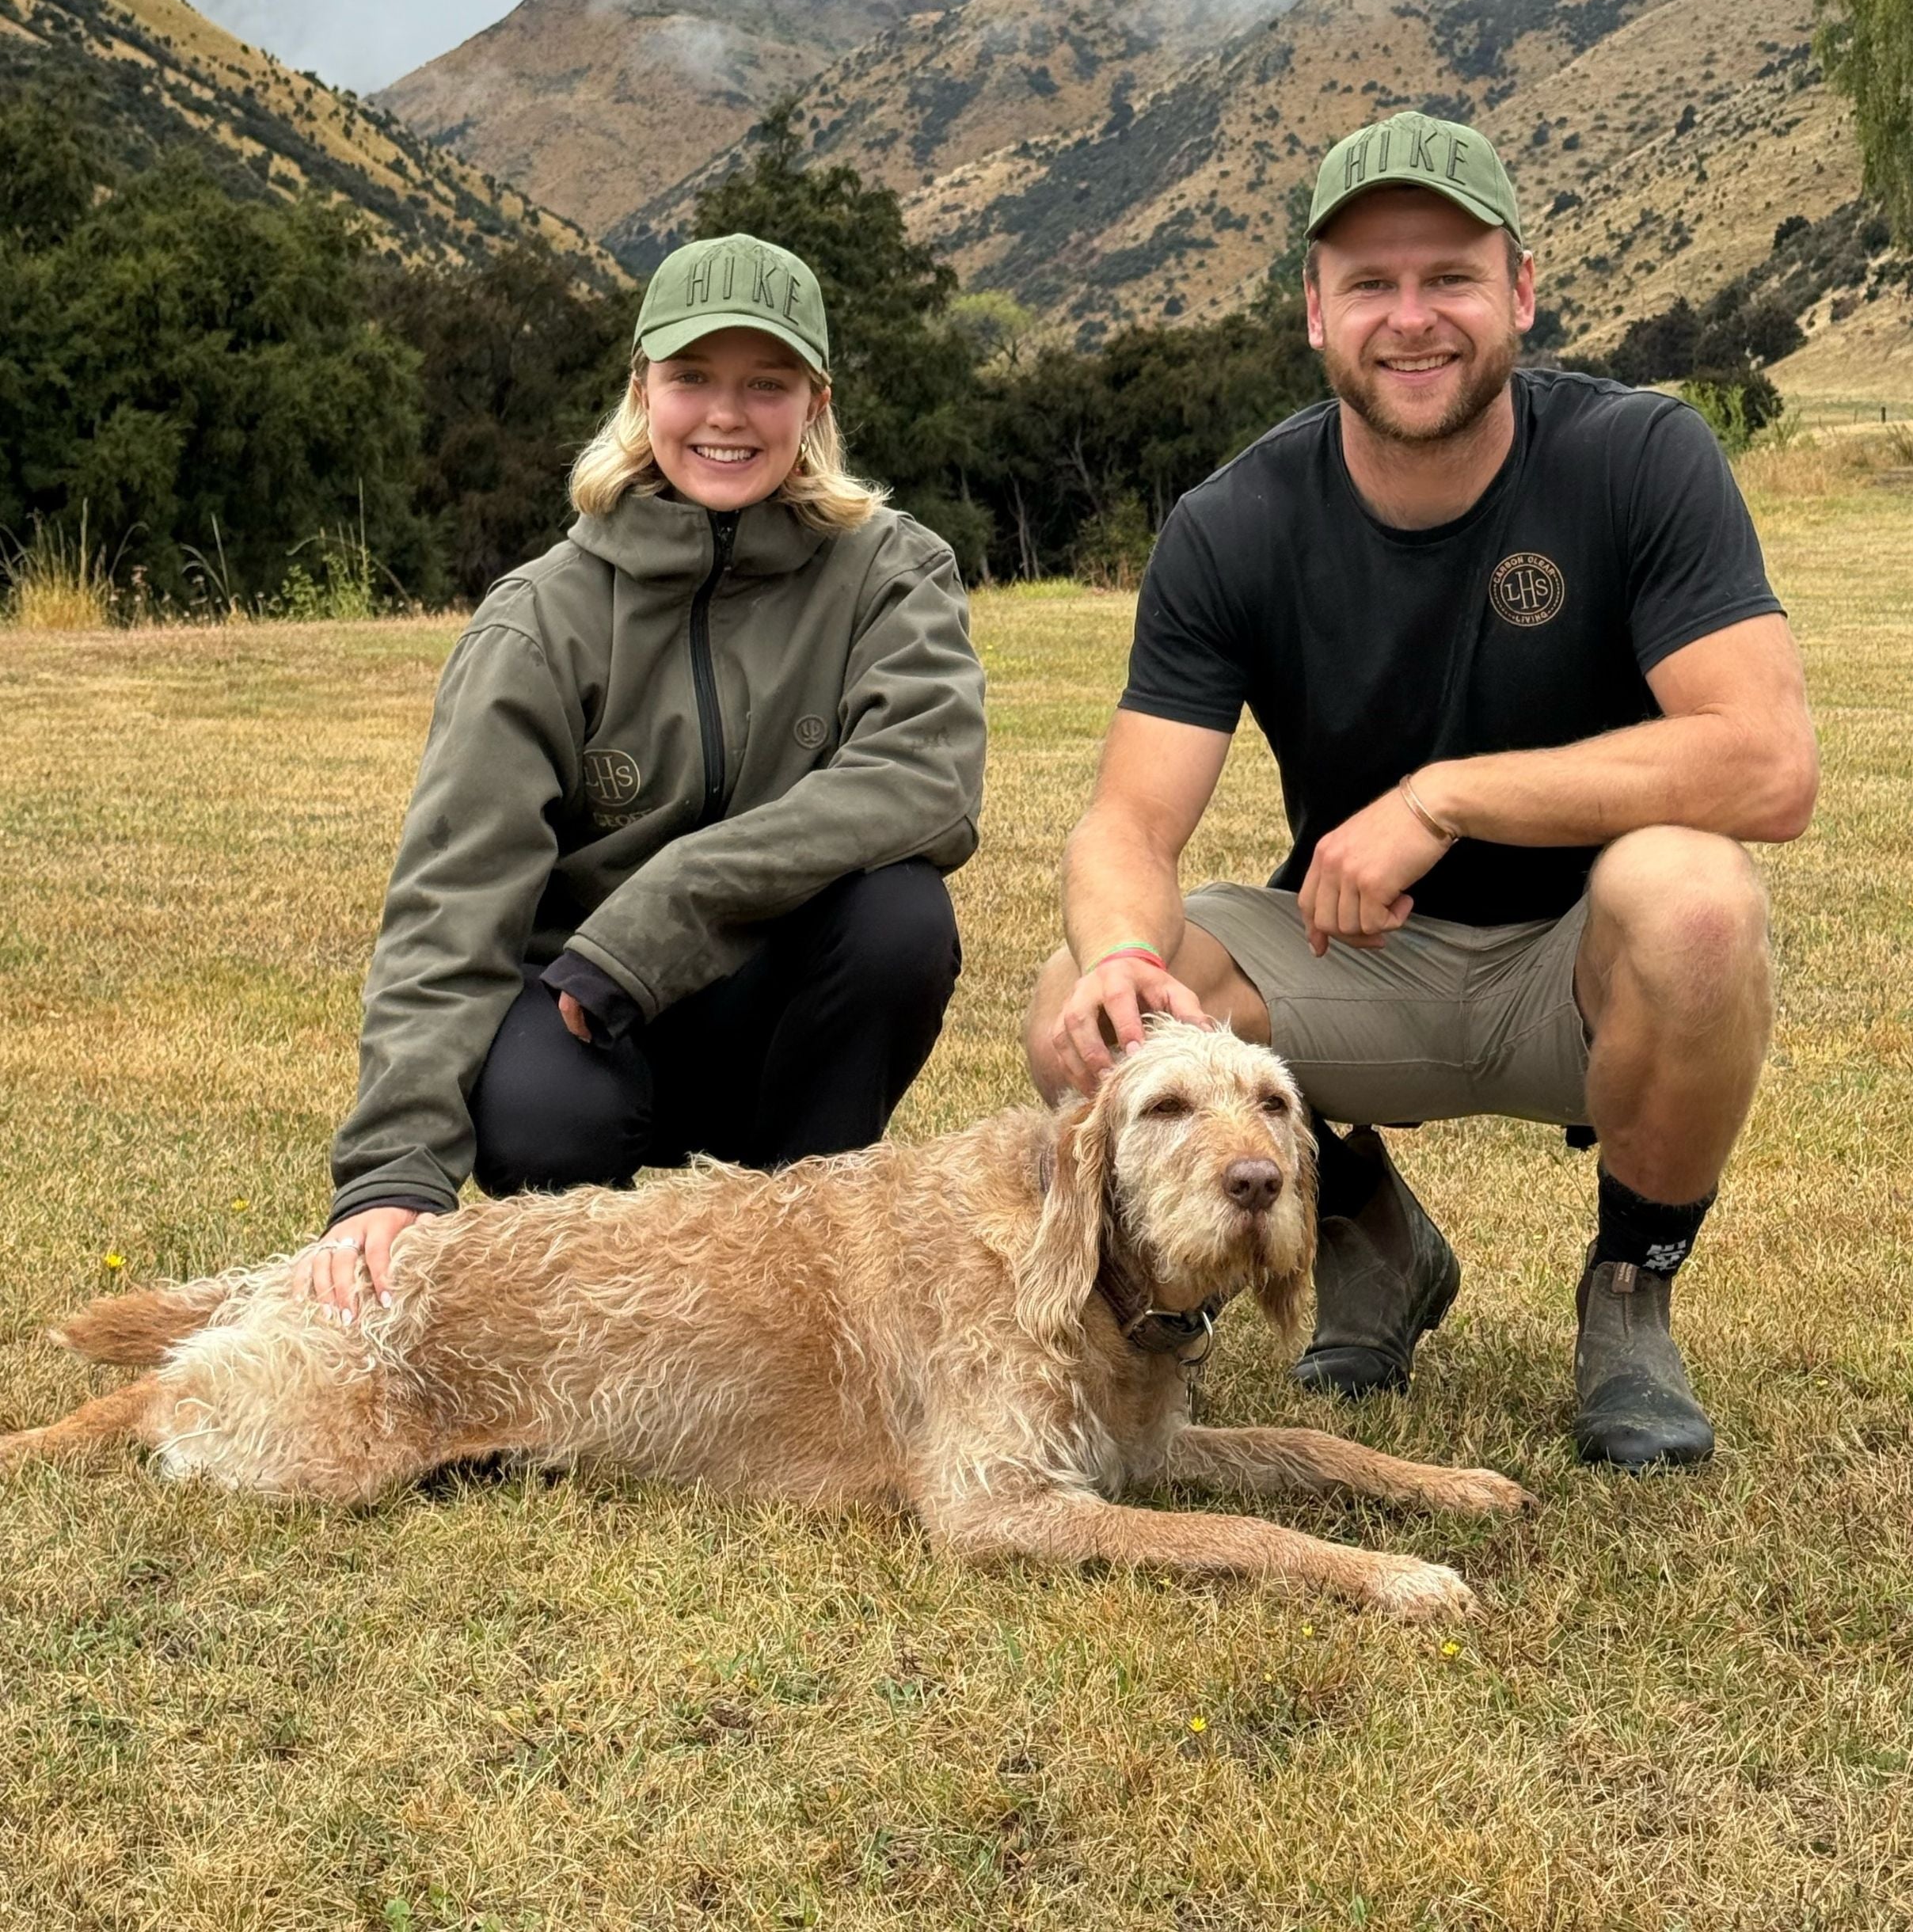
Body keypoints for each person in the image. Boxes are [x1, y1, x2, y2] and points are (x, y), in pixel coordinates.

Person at [1025, 111, 1817, 1469]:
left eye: (1450, 276)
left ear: (1518, 290)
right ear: (1316, 316)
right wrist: (1119, 956)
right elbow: (1131, 821)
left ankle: (1630, 1297)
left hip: (1582, 968)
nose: (1413, 319)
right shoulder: (1234, 522)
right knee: (1077, 1018)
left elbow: (1766, 760)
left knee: (1692, 896)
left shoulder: (1640, 457)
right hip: (1357, 956)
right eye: (1370, 285)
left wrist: (1445, 796)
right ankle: (1365, 1233)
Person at [305, 232, 987, 1323]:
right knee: (537, 1115)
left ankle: (806, 1275)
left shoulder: (894, 572)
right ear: (641, 391)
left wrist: (665, 911)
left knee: (902, 917)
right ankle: (608, 1301)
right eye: (692, 379)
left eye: (766, 384)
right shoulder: (538, 619)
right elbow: (452, 905)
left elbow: (924, 781)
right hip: (587, 1022)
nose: (727, 415)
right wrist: (393, 1173)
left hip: (778, 1014)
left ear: (815, 401)